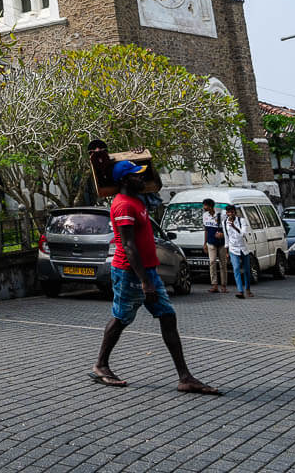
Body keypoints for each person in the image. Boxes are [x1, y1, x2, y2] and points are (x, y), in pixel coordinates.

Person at [92, 161, 218, 394]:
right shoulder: (123, 206)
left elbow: (154, 183)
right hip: (130, 273)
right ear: (123, 181)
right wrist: (145, 281)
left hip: (147, 271)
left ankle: (185, 377)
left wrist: (142, 158)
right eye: (136, 176)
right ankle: (101, 365)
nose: (142, 179)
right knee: (121, 318)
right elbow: (129, 247)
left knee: (168, 317)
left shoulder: (138, 200)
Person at [224, 205, 253, 299]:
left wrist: (234, 226)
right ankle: (240, 291)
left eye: (232, 212)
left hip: (243, 248)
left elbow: (242, 234)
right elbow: (226, 237)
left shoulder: (242, 221)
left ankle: (247, 289)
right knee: (236, 268)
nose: (230, 214)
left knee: (247, 270)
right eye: (229, 212)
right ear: (227, 213)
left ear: (235, 212)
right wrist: (227, 251)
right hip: (233, 249)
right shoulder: (225, 222)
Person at [202, 198, 228, 293]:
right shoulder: (205, 215)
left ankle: (224, 285)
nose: (204, 207)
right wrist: (204, 243)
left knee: (223, 264)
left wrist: (223, 235)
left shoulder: (221, 215)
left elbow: (227, 228)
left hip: (221, 243)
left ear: (210, 206)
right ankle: (214, 285)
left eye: (205, 205)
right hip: (211, 242)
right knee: (212, 262)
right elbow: (206, 230)